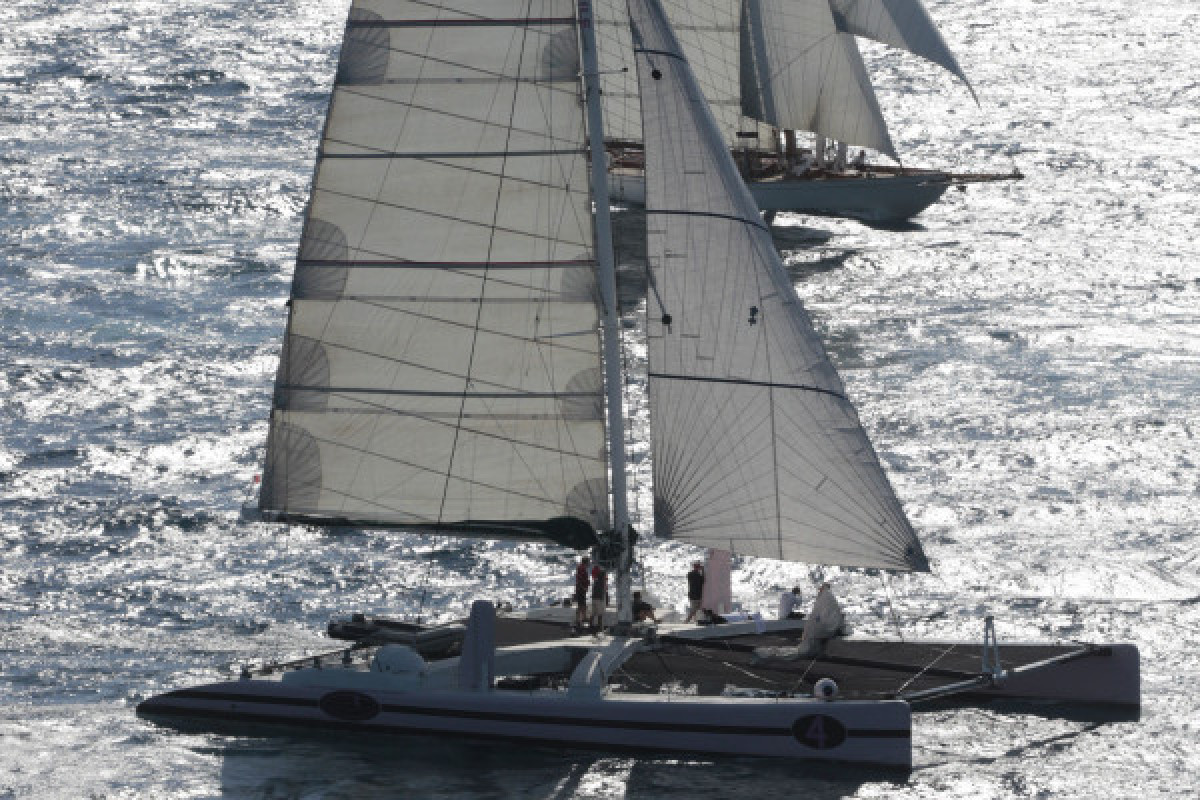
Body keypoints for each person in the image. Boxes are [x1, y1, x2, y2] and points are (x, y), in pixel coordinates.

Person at [573, 556, 591, 629]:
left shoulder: (581, 568)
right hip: (581, 589)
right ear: (585, 562)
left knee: (582, 604)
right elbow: (580, 580)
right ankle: (579, 620)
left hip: (581, 589)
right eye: (588, 562)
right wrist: (583, 587)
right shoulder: (581, 569)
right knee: (581, 605)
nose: (589, 564)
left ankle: (583, 618)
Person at [589, 563, 608, 630]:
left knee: (593, 613)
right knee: (600, 614)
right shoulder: (602, 581)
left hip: (594, 597)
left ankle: (591, 625)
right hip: (600, 598)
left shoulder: (595, 581)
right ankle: (600, 627)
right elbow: (604, 589)